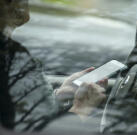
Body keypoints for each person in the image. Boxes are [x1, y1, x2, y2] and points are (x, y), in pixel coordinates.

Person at [0, 0, 106, 133]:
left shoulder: (10, 58)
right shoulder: (11, 59)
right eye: (20, 2)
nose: (26, 14)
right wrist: (81, 110)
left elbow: (19, 112)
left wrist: (60, 96)